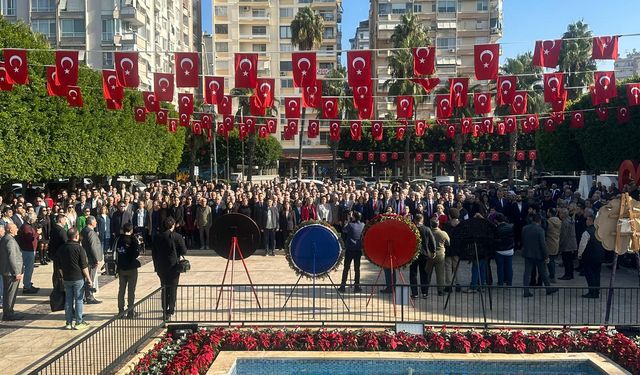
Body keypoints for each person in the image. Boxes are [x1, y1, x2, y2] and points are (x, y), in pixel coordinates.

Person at [152, 217, 187, 320]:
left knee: (164, 288)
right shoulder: (177, 236)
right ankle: (170, 311)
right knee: (172, 289)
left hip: (161, 267)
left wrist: (156, 266)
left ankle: (164, 310)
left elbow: (154, 253)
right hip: (174, 266)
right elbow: (184, 251)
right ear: (173, 225)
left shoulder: (158, 237)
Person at [57, 227, 92, 330]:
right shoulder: (79, 248)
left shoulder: (62, 248)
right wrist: (89, 278)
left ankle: (68, 323)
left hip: (67, 278)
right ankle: (78, 322)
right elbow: (84, 266)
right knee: (79, 300)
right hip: (78, 278)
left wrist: (63, 277)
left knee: (68, 300)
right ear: (76, 236)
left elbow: (59, 266)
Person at [521, 215, 558, 297]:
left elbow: (523, 240)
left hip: (527, 253)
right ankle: (548, 289)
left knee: (527, 273)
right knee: (543, 272)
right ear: (539, 221)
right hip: (539, 255)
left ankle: (526, 291)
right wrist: (546, 256)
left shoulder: (525, 228)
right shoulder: (540, 230)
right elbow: (543, 244)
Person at [115, 223, 141, 317]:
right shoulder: (133, 240)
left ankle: (121, 311)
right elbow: (136, 254)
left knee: (121, 290)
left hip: (121, 267)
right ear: (131, 230)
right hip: (131, 268)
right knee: (131, 291)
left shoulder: (118, 239)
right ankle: (130, 311)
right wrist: (138, 244)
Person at [0, 223, 24, 321]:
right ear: (10, 230)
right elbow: (12, 257)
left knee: (8, 293)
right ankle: (8, 313)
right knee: (10, 294)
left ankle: (8, 312)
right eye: (15, 228)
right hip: (11, 272)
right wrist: (16, 272)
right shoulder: (9, 240)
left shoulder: (6, 239)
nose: (17, 229)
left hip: (8, 271)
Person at [409, 214, 436, 298]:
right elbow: (432, 241)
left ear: (415, 220)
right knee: (424, 273)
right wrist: (433, 251)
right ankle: (424, 293)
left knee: (413, 274)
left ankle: (414, 293)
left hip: (413, 254)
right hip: (424, 254)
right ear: (422, 220)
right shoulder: (427, 229)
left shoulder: (411, 229)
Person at [578, 215, 605, 298]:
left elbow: (582, 245)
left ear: (592, 221)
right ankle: (596, 290)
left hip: (589, 257)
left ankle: (592, 292)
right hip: (599, 256)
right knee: (597, 274)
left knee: (590, 274)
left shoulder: (587, 232)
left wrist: (579, 254)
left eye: (588, 220)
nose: (586, 221)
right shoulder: (600, 231)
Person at [339, 211, 364, 293]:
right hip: (358, 249)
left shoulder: (350, 225)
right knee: (357, 269)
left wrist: (349, 222)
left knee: (346, 268)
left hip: (350, 249)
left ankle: (343, 286)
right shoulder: (363, 225)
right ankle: (357, 286)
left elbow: (344, 230)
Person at [81, 216, 103, 304]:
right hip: (90, 259)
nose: (96, 223)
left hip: (86, 257)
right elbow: (93, 246)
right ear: (91, 222)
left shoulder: (84, 230)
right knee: (90, 278)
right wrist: (96, 259)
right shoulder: (90, 232)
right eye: (95, 222)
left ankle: (86, 296)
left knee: (87, 278)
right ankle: (89, 297)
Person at [17, 213, 39, 294]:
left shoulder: (28, 226)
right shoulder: (26, 227)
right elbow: (29, 239)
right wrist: (37, 234)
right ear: (31, 219)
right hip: (27, 250)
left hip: (29, 250)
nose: (36, 219)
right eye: (35, 218)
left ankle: (28, 284)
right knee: (28, 269)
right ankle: (27, 286)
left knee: (30, 269)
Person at [428, 218, 449, 296]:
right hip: (440, 255)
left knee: (427, 273)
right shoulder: (443, 233)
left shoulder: (428, 232)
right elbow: (448, 243)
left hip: (429, 255)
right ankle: (440, 290)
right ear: (438, 224)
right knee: (440, 274)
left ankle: (425, 289)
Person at [494, 213, 514, 286]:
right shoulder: (511, 226)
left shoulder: (497, 229)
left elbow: (495, 240)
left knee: (500, 268)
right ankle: (509, 283)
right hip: (510, 250)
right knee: (509, 267)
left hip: (500, 251)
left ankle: (500, 283)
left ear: (496, 221)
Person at [558, 208, 578, 280]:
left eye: (560, 213)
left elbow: (563, 235)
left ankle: (567, 274)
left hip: (566, 244)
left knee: (566, 261)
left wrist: (560, 244)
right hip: (572, 244)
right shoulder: (570, 220)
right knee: (570, 261)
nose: (559, 214)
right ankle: (571, 274)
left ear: (563, 214)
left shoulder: (564, 222)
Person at [545, 208, 562, 283]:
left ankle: (552, 276)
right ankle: (552, 275)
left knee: (550, 261)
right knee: (552, 260)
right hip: (556, 241)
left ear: (550, 213)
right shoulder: (559, 221)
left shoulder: (548, 222)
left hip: (549, 242)